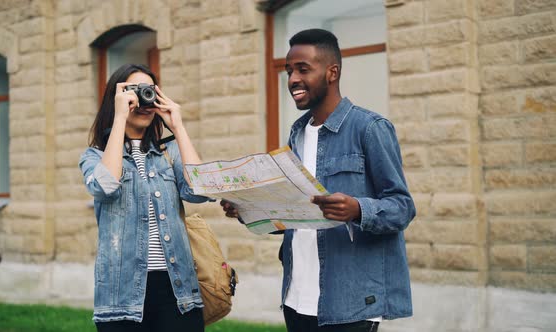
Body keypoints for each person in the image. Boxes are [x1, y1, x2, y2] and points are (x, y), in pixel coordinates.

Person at [221, 29, 416, 332]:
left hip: (349, 303)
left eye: (303, 69)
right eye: (288, 71)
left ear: (332, 72)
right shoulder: (296, 135)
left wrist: (358, 210)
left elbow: (402, 207)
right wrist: (249, 209)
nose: (292, 80)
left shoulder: (370, 128)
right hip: (296, 299)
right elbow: (296, 215)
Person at [79, 63, 210, 332]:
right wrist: (118, 119)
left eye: (148, 91)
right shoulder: (94, 156)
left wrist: (178, 126)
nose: (142, 100)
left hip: (177, 291)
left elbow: (200, 191)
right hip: (121, 296)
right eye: (134, 92)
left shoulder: (170, 152)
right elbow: (106, 185)